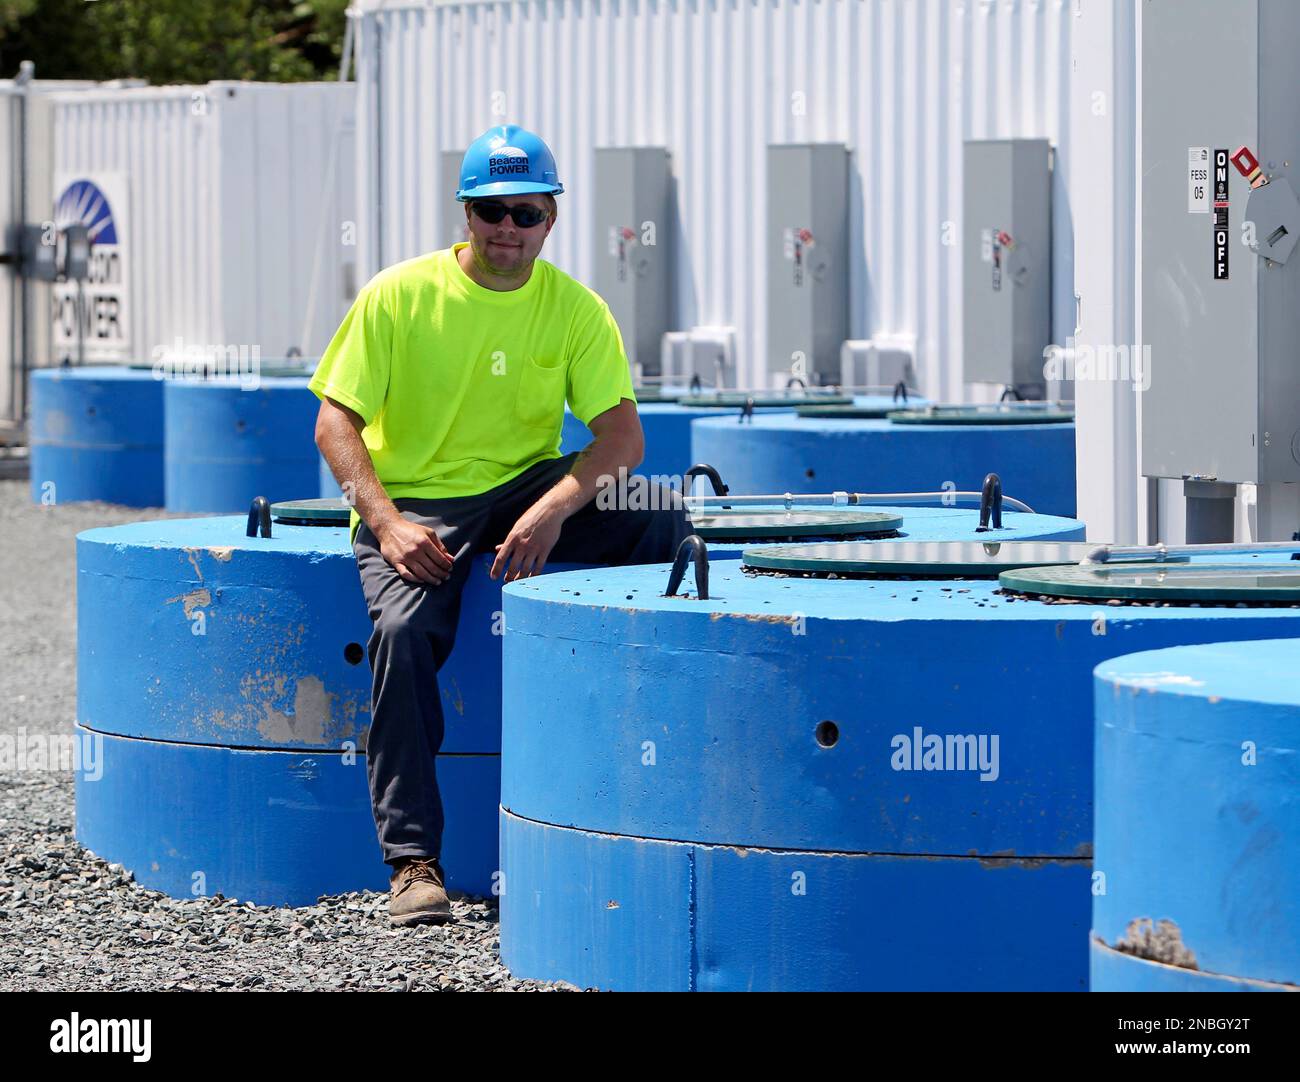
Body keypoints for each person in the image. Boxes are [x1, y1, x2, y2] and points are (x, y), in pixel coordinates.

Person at [310, 124, 691, 926]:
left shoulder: (575, 309)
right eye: (491, 211)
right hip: (419, 501)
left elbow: (621, 437)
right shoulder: (399, 295)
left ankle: (667, 755)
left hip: (523, 489)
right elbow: (334, 424)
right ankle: (414, 861)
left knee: (658, 514)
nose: (507, 229)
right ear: (465, 215)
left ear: (552, 218)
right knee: (404, 634)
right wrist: (384, 523)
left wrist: (553, 511)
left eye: (525, 213)